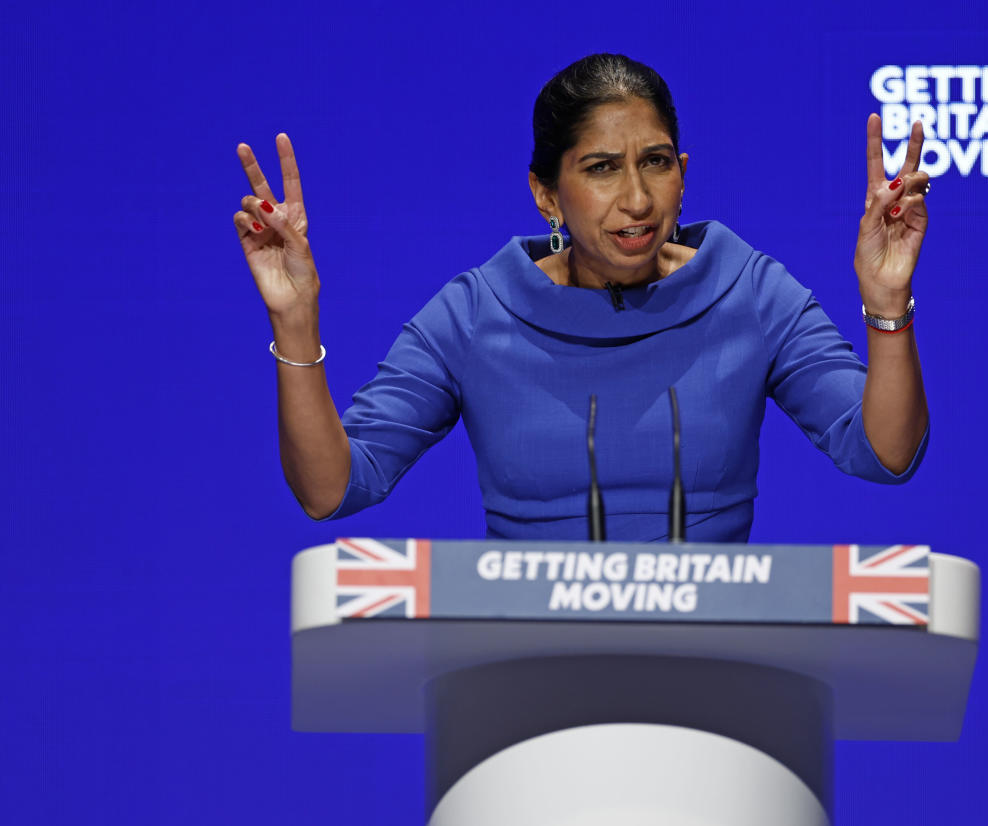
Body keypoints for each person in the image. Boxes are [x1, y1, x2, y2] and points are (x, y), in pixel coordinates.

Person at [232, 54, 930, 542]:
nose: (636, 199)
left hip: (714, 683)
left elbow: (886, 454)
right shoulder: (477, 313)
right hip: (528, 693)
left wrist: (887, 301)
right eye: (601, 169)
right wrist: (294, 321)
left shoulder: (750, 291)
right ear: (545, 194)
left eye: (655, 163)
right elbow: (331, 489)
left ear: (682, 175)